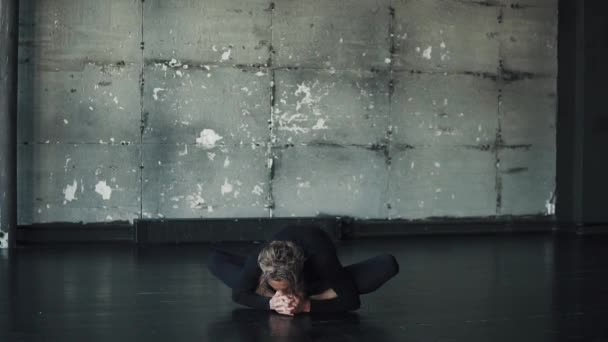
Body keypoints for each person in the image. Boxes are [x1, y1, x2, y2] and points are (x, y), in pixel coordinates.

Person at [208, 225, 399, 315]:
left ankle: (305, 290)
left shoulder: (322, 259)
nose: (283, 293)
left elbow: (351, 302)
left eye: (287, 288)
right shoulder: (259, 259)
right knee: (215, 260)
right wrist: (271, 303)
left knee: (387, 264)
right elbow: (239, 295)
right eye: (277, 287)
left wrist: (306, 305)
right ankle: (266, 287)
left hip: (317, 281)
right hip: (266, 279)